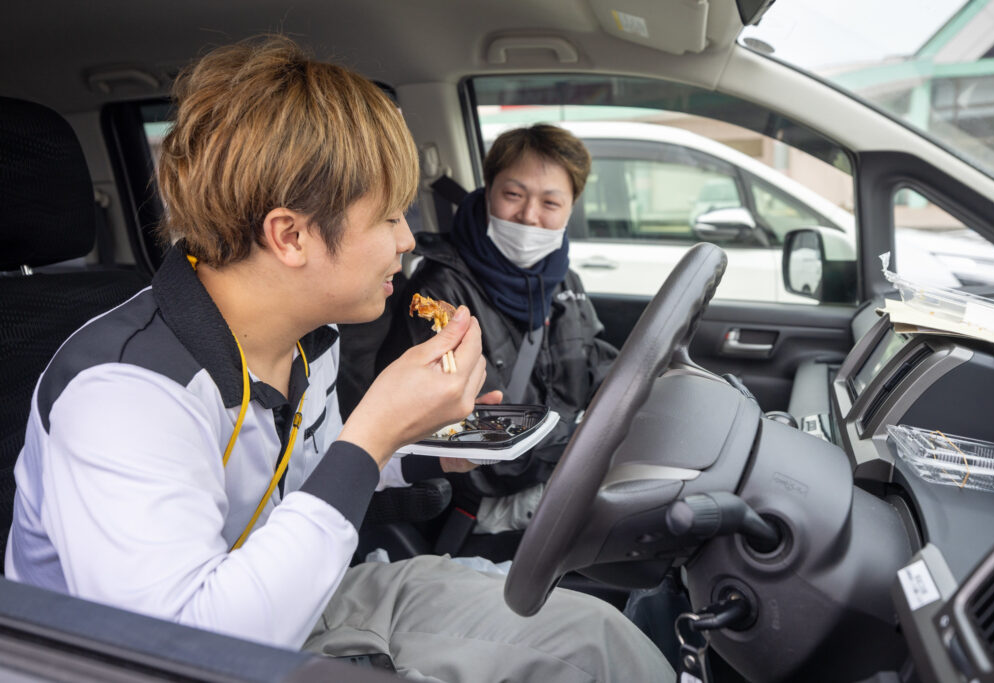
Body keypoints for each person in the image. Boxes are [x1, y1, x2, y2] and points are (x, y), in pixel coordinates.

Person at [4, 36, 672, 682]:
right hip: (199, 650)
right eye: (388, 218)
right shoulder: (125, 396)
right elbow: (181, 648)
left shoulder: (308, 335)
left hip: (305, 599)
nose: (409, 239)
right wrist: (371, 433)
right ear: (290, 235)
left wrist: (417, 445)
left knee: (599, 645)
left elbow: (302, 481)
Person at [379, 124, 618, 535]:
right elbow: (474, 442)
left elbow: (596, 364)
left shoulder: (563, 281)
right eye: (513, 195)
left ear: (571, 207)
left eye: (550, 202)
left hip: (561, 464)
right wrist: (584, 447)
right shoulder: (440, 290)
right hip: (488, 497)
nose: (528, 216)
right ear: (488, 190)